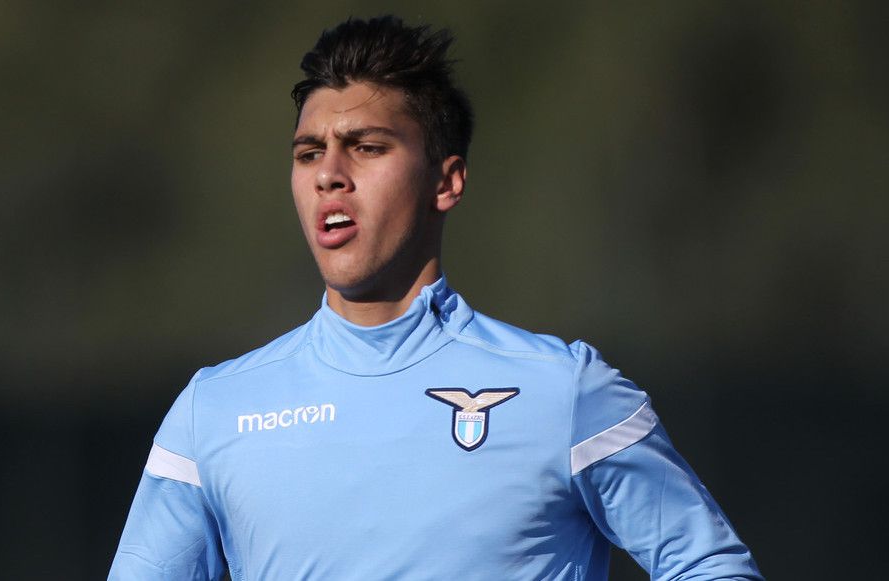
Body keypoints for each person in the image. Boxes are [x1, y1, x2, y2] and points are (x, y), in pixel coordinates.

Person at [109, 15, 763, 581]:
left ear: (446, 182)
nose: (330, 174)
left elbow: (712, 567)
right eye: (309, 153)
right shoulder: (214, 411)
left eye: (366, 147)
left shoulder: (565, 390)